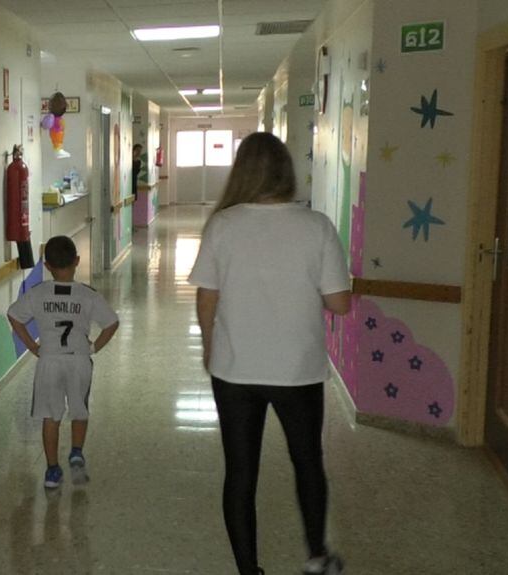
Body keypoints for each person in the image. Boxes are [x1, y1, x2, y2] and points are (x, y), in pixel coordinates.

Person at [188, 132, 351, 575]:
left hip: (235, 369)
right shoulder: (315, 226)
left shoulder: (223, 224)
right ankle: (317, 555)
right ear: (286, 171)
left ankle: (248, 570)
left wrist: (209, 347)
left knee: (241, 474)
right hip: (298, 370)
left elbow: (206, 298)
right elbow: (339, 303)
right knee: (307, 462)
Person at [8, 235, 120, 489]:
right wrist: (94, 347)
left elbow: (13, 316)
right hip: (79, 359)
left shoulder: (38, 293)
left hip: (49, 360)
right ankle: (77, 452)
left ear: (47, 266)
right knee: (79, 409)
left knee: (51, 416)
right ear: (77, 261)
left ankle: (52, 471)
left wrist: (32, 346)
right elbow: (112, 323)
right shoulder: (86, 295)